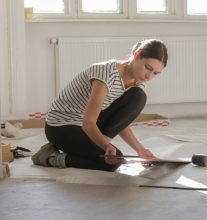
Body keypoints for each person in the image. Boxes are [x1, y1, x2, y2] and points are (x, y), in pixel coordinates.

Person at [32, 39, 168, 172]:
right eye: (148, 68)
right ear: (137, 55)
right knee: (112, 163)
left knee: (138, 96)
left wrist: (140, 150)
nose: (149, 76)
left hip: (86, 124)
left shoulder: (137, 81)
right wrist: (105, 146)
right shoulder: (106, 74)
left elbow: (119, 121)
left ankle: (91, 149)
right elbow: (88, 123)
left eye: (155, 73)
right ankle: (52, 158)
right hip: (61, 127)